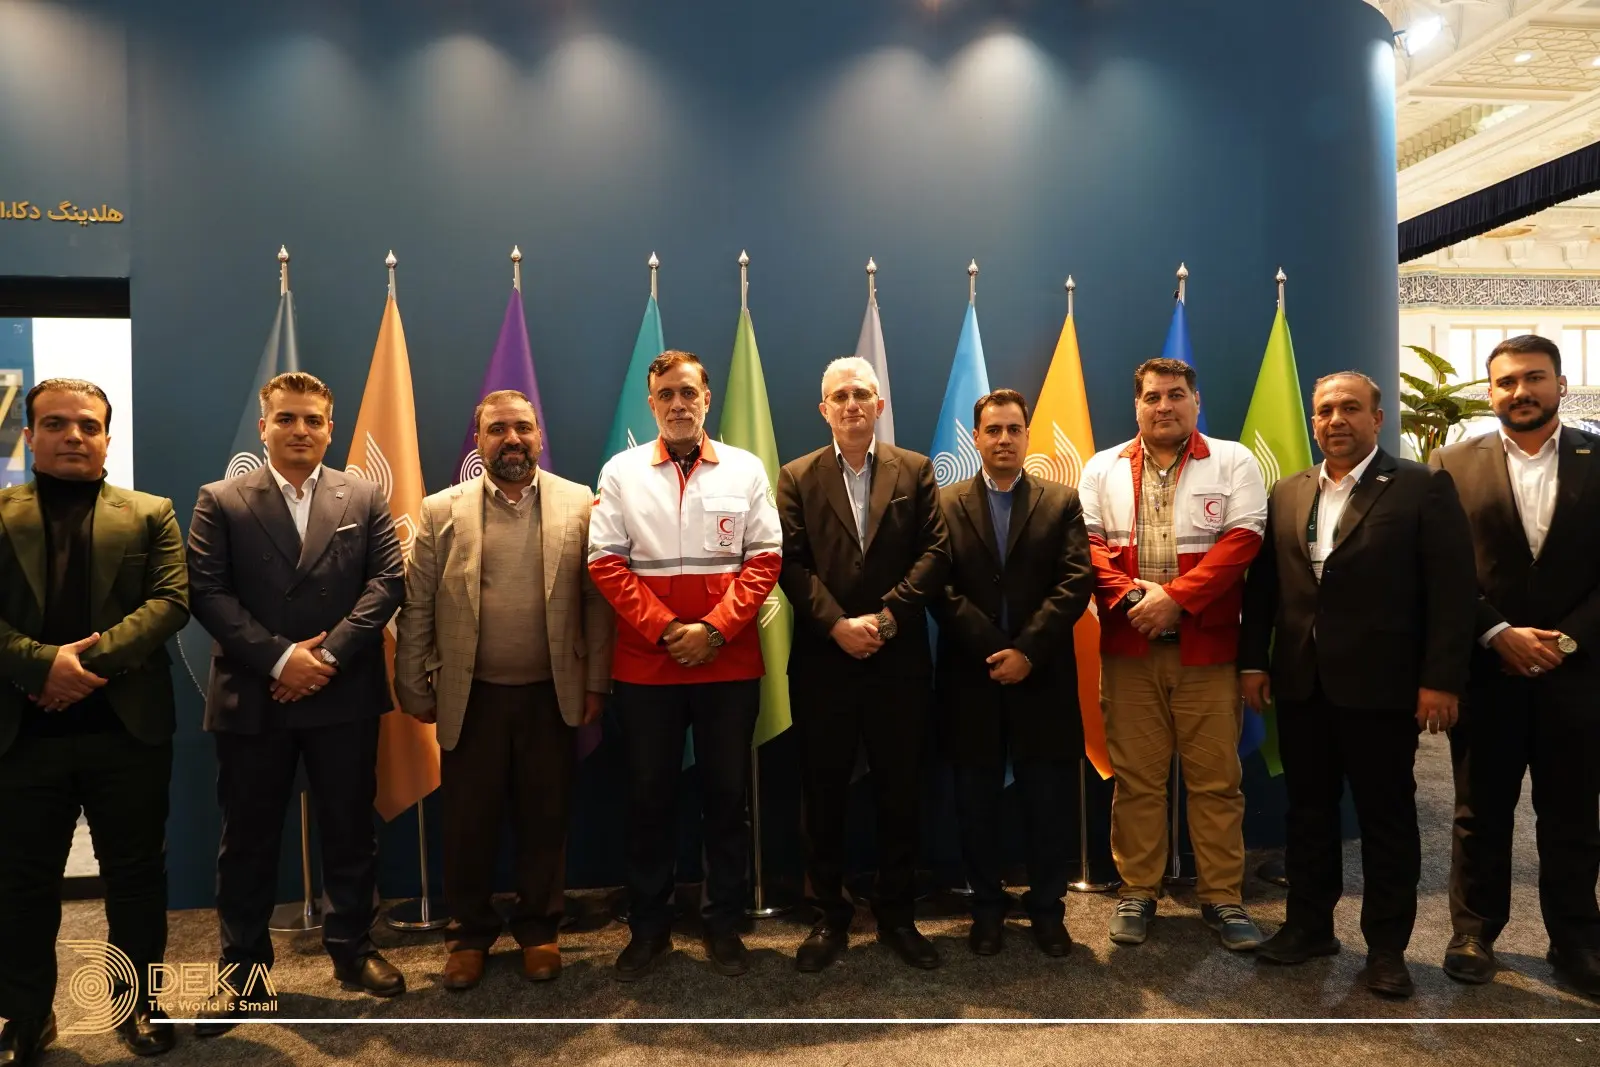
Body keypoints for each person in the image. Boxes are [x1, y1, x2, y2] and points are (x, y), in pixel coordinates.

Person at [1241, 371, 1475, 998]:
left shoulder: (1421, 487)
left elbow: (1452, 592)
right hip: (1302, 684)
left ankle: (1387, 950)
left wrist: (1441, 680)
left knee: (1386, 819)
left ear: (1377, 418)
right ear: (1313, 421)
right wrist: (1253, 662)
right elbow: (1265, 588)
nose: (1335, 420)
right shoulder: (1289, 491)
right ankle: (1308, 928)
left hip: (1383, 688)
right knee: (1307, 814)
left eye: (1350, 408)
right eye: (1324, 410)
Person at [187, 371, 406, 1033]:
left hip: (343, 690)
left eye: (313, 419)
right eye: (286, 418)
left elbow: (387, 580)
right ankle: (243, 973)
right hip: (255, 694)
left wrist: (326, 657)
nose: (300, 430)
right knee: (248, 841)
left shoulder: (363, 494)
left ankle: (353, 948)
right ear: (264, 427)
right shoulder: (221, 498)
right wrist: (283, 659)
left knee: (351, 830)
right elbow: (208, 591)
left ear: (330, 429)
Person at [395, 390, 613, 990]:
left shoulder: (579, 502)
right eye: (497, 430)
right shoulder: (441, 510)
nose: (511, 439)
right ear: (479, 440)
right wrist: (412, 685)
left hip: (552, 693)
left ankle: (540, 930)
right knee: (468, 823)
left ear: (539, 436)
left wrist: (597, 681)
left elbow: (596, 601)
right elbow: (417, 604)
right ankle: (469, 935)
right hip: (472, 695)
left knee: (546, 817)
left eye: (522, 428)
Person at [0, 379, 189, 1064]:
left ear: (108, 437)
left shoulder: (150, 513)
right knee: (22, 882)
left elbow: (170, 602)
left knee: (137, 875)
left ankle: (137, 1003)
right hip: (21, 734)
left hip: (126, 731)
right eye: (55, 424)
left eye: (88, 425)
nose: (73, 436)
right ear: (30, 436)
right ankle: (26, 1016)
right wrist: (38, 666)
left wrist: (77, 669)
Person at [587, 351, 782, 980]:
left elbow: (766, 558)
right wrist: (669, 630)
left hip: (728, 662)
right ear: (651, 404)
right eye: (666, 394)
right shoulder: (621, 472)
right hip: (648, 665)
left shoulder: (745, 468)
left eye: (688, 392)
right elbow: (604, 562)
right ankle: (649, 927)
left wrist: (715, 630)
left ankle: (724, 924)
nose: (678, 404)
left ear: (706, 398)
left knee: (727, 798)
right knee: (649, 799)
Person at [1430, 334, 1600, 996]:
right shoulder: (1451, 462)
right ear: (1489, 391)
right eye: (1506, 382)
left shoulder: (1597, 458)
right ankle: (1474, 932)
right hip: (1487, 670)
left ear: (1561, 385)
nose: (1520, 391)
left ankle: (1577, 941)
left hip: (1577, 674)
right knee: (1479, 811)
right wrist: (1498, 632)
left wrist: (1565, 641)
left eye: (1534, 378)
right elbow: (1441, 568)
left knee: (1572, 814)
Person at [1078, 357, 1266, 952]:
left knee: (1216, 783)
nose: (1165, 406)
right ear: (1137, 405)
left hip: (1206, 653)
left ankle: (1222, 897)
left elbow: (1243, 541)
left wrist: (1176, 601)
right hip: (1130, 649)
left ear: (1196, 401)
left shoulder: (1233, 461)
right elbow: (1087, 547)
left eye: (1176, 394)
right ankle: (1138, 890)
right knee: (1137, 781)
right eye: (1153, 397)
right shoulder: (1102, 467)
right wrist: (1140, 602)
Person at [777, 356, 951, 972]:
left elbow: (935, 551)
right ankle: (830, 913)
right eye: (840, 396)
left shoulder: (915, 470)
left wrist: (886, 619)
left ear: (880, 406)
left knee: (900, 790)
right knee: (823, 792)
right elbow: (789, 562)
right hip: (824, 661)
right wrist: (836, 625)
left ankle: (897, 915)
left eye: (862, 395)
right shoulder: (796, 475)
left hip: (897, 660)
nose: (852, 405)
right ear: (823, 409)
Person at [931, 388, 1093, 957]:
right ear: (976, 437)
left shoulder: (1062, 500)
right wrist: (994, 648)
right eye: (993, 430)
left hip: (1041, 676)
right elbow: (938, 587)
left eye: (1013, 429)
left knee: (1047, 803)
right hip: (970, 677)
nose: (1003, 439)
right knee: (975, 804)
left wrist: (1026, 650)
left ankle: (1047, 910)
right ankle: (986, 909)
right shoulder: (943, 502)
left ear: (1027, 435)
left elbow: (1075, 582)